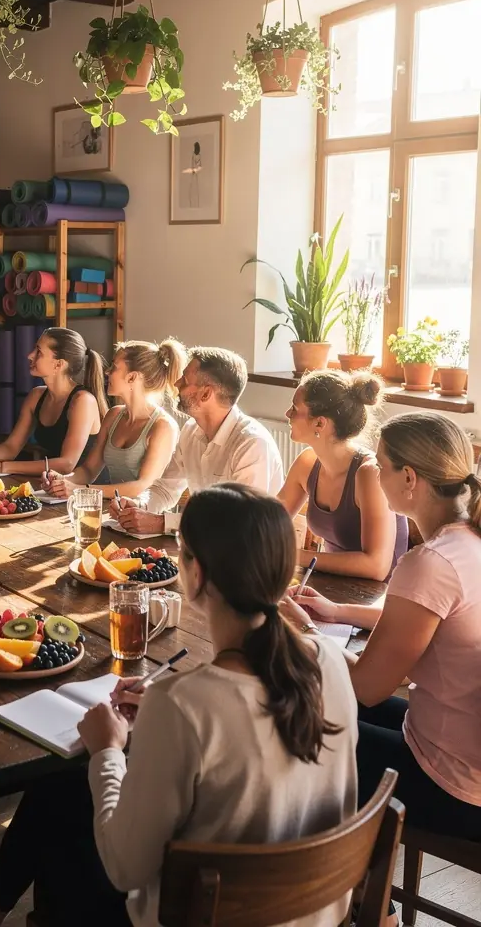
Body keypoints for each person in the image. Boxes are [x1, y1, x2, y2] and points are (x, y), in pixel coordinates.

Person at [0, 485, 358, 927]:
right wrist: (160, 723)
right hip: (308, 910)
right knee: (64, 788)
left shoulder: (182, 704)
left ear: (195, 574)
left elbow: (124, 867)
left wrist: (108, 749)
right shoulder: (329, 663)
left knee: (67, 787)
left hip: (201, 914)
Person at [284, 412, 481, 843]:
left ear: (409, 478)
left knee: (294, 724)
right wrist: (337, 612)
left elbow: (366, 688)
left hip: (452, 785)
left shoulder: (430, 562)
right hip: (456, 747)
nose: (371, 471)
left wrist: (311, 637)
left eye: (380, 463)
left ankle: (369, 903)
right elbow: (438, 621)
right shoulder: (467, 541)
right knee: (315, 700)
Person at [111, 347, 284, 534]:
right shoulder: (191, 430)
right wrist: (139, 505)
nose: (176, 383)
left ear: (205, 394)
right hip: (204, 547)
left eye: (184, 380)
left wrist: (162, 523)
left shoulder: (252, 444)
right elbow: (165, 489)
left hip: (248, 555)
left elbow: (239, 520)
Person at [278, 370, 408, 589]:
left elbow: (376, 567)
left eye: (295, 409)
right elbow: (271, 519)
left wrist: (291, 556)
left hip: (380, 600)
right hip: (332, 587)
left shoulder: (369, 473)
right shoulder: (307, 463)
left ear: (320, 424)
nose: (287, 413)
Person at [46, 340, 186, 501]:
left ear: (132, 377)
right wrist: (62, 481)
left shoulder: (163, 426)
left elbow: (143, 486)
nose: (107, 372)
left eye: (114, 367)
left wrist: (79, 490)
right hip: (112, 513)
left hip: (146, 519)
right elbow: (88, 470)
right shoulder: (113, 415)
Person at [0, 328, 106, 476]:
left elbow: (66, 464)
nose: (30, 356)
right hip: (54, 488)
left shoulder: (83, 401)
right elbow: (11, 447)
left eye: (39, 352)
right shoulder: (36, 395)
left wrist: (2, 467)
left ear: (59, 364)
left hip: (88, 493)